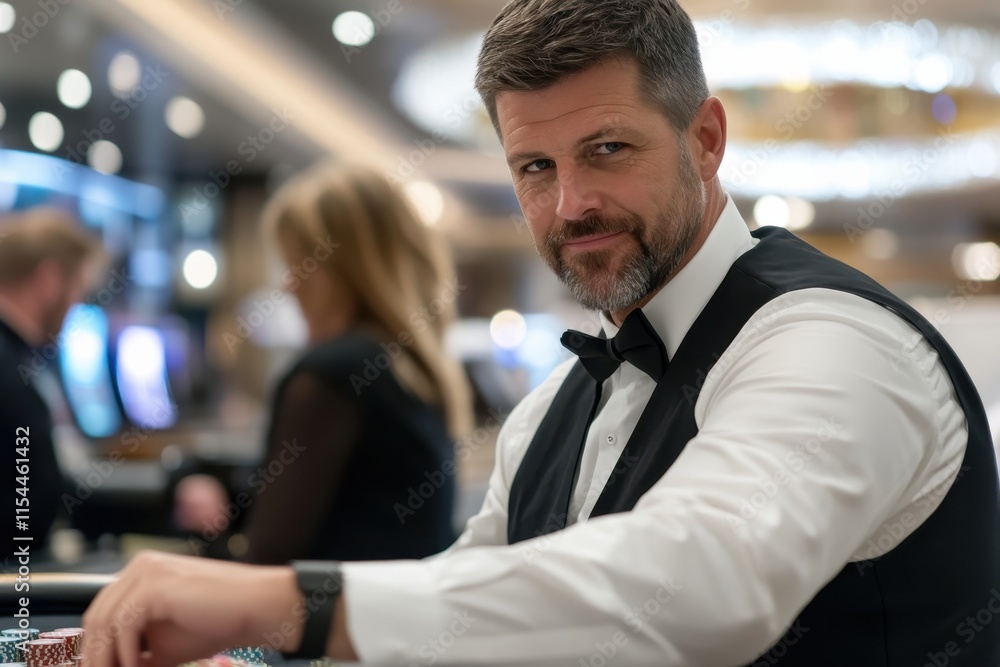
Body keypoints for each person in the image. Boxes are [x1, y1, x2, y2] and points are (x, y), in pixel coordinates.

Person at [81, 1, 1000, 665]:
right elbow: (461, 621)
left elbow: (703, 585)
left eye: (607, 149)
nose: (570, 204)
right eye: (534, 165)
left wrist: (286, 601)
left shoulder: (834, 338)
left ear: (707, 139)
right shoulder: (548, 413)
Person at [176, 162, 473, 563]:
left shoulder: (335, 372)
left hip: (338, 625)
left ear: (345, 268)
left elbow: (265, 564)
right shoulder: (415, 371)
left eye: (296, 263)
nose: (288, 284)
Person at [0, 207, 104, 558]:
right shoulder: (10, 372)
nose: (77, 306)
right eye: (78, 290)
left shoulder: (18, 361)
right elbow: (26, 512)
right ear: (48, 279)